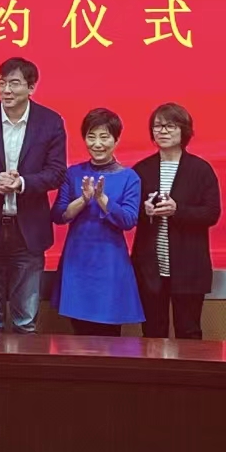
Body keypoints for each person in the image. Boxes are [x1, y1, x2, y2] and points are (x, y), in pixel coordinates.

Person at [0, 58, 67, 334]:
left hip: (28, 230)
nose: (6, 90)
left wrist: (23, 183)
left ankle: (23, 362)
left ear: (31, 87)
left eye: (14, 84)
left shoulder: (50, 122)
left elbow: (56, 172)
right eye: (1, 83)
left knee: (25, 322)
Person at [131, 103, 222, 340]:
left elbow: (212, 213)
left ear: (184, 130)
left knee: (188, 331)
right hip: (150, 266)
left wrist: (177, 210)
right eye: (157, 126)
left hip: (189, 266)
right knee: (152, 332)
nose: (162, 131)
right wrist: (145, 211)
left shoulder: (200, 169)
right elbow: (129, 213)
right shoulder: (141, 169)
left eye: (170, 126)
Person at [51, 108, 144, 336]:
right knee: (79, 335)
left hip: (110, 262)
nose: (97, 143)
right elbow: (59, 215)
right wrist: (83, 200)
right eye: (91, 137)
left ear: (116, 140)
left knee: (109, 336)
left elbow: (129, 220)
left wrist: (103, 200)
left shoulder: (129, 177)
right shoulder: (73, 173)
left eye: (104, 137)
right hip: (77, 260)